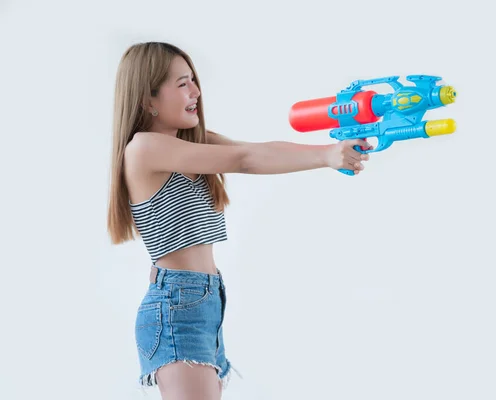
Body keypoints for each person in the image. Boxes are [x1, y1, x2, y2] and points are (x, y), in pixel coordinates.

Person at [106, 41, 371, 400]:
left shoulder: (191, 143)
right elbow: (245, 159)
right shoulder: (144, 148)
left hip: (203, 303)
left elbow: (259, 152)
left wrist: (331, 153)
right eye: (182, 83)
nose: (196, 91)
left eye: (194, 81)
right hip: (177, 308)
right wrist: (326, 155)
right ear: (147, 99)